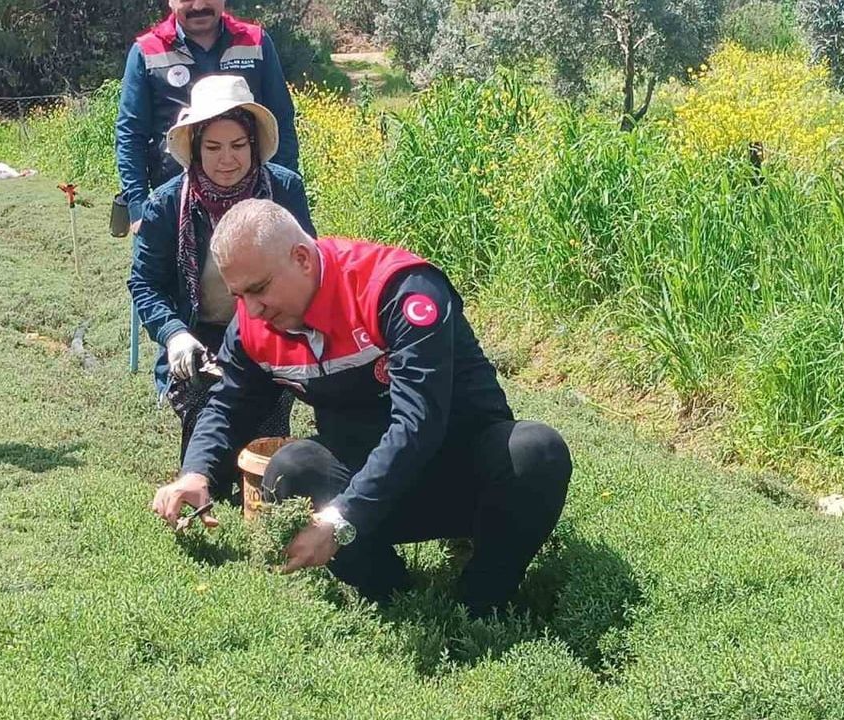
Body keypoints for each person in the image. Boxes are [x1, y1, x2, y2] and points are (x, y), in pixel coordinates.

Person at [151, 199, 573, 617]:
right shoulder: (253, 325)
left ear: (302, 258)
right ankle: (392, 596)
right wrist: (196, 472)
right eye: (238, 295)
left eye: (259, 289)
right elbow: (228, 403)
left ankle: (481, 604)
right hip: (368, 482)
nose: (252, 309)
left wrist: (340, 519)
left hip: (464, 474)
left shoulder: (396, 289)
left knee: (537, 450)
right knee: (292, 467)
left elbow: (419, 421)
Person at [129, 75, 314, 492]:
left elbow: (308, 265)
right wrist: (174, 335)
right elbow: (145, 281)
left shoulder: (283, 189)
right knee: (207, 437)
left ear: (253, 144)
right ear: (195, 148)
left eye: (237, 146)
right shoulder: (166, 204)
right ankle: (202, 484)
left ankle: (266, 496)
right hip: (200, 337)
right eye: (212, 147)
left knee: (264, 441)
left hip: (269, 329)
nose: (226, 159)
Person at [116, 0, 300, 235]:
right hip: (174, 204)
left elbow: (281, 121)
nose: (199, 5)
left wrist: (283, 195)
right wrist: (139, 208)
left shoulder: (255, 42)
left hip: (253, 204)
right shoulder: (147, 51)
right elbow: (131, 135)